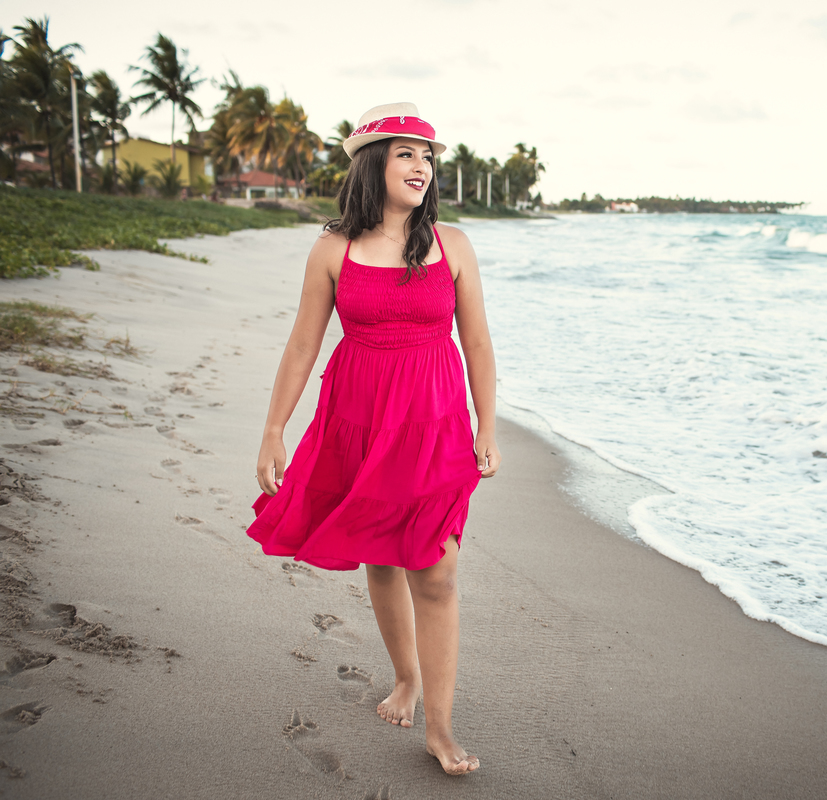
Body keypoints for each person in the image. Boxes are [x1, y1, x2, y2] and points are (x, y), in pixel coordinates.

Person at [247, 102, 499, 776]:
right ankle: (407, 678)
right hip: (358, 418)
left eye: (427, 156)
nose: (421, 166)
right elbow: (304, 343)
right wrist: (274, 429)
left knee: (437, 571)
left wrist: (487, 425)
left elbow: (476, 343)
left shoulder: (453, 245)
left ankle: (440, 730)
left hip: (436, 424)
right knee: (381, 556)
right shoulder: (333, 248)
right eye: (406, 153)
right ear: (373, 164)